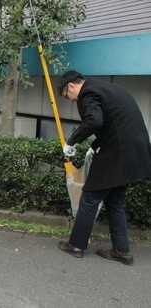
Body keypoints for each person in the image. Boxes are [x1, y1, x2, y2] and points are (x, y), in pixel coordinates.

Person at [57, 70, 151, 265]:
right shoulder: (109, 87)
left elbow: (94, 120)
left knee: (90, 198)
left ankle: (76, 245)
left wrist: (72, 141)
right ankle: (122, 251)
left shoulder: (88, 93)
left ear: (71, 86)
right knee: (115, 200)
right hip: (135, 151)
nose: (73, 101)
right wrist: (95, 146)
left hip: (116, 152)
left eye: (68, 97)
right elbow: (113, 121)